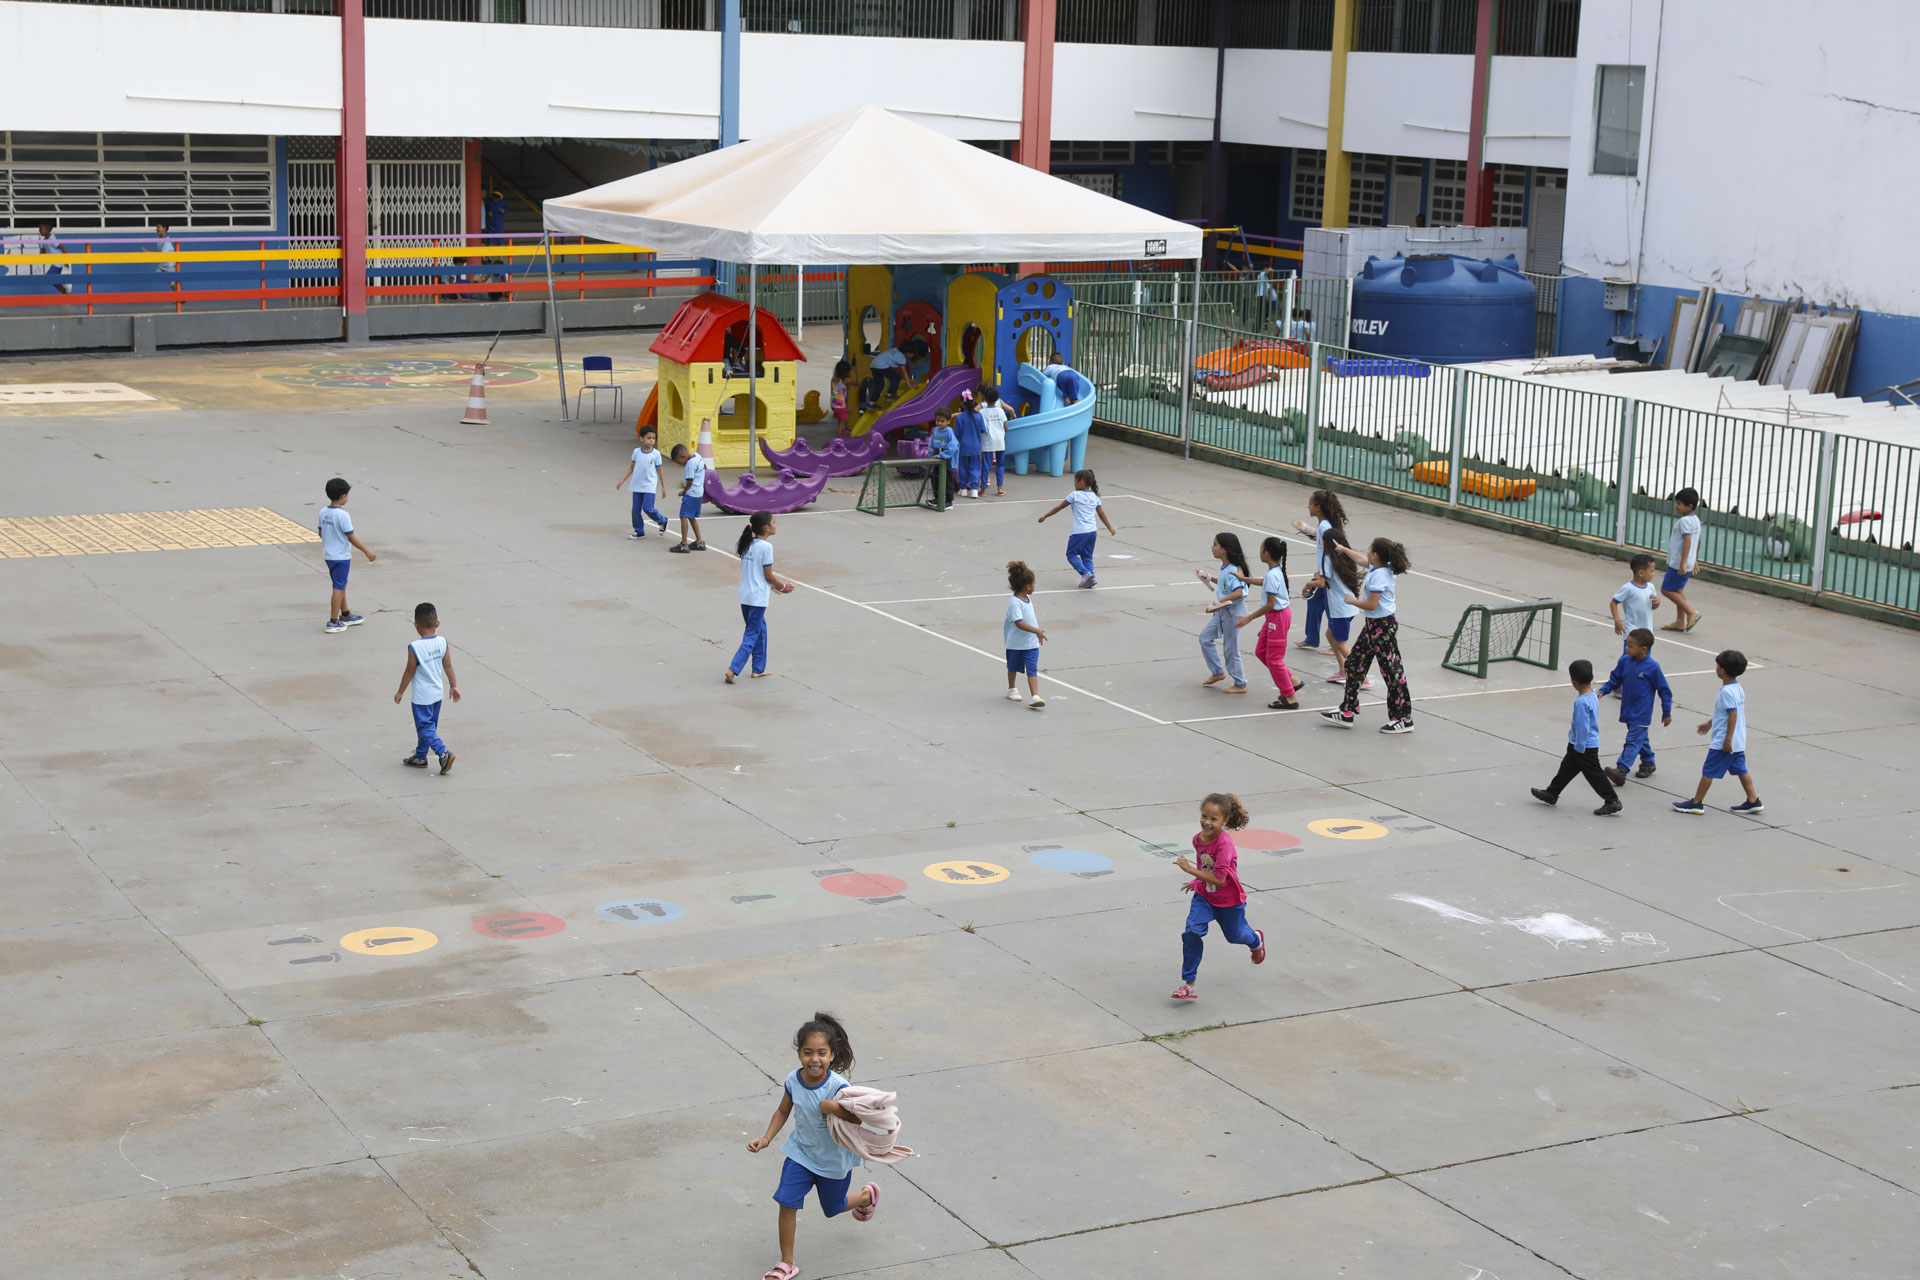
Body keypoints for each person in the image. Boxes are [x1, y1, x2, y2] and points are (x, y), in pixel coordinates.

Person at [747, 1014, 879, 1280]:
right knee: (787, 1202)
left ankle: (866, 1196)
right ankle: (786, 1263)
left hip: (833, 1160)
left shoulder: (839, 1087)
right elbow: (783, 1110)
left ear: (832, 1056)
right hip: (801, 1154)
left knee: (833, 1208)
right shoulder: (793, 1080)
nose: (814, 1059)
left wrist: (833, 1107)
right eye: (808, 1052)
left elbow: (857, 1118)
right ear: (799, 1054)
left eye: (821, 1053)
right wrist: (767, 1138)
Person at [1169, 792, 1265, 1001]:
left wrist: (1190, 870)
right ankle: (1189, 984)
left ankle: (1255, 939)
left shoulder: (1224, 844)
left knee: (1235, 936)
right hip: (1204, 896)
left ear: (1225, 821)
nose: (1207, 822)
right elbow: (1206, 866)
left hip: (1228, 900)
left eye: (1214, 819)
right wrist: (1195, 882)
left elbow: (1220, 879)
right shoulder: (1198, 839)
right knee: (1192, 931)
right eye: (1204, 816)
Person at [1321, 537, 1412, 733]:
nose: (1367, 551)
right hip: (1373, 626)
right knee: (1354, 663)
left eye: (1369, 549)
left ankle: (1403, 718)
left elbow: (1371, 604)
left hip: (1382, 627)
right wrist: (1344, 550)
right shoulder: (1380, 567)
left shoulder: (1379, 576)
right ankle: (1347, 711)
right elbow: (1361, 559)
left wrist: (1352, 601)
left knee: (1392, 672)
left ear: (1376, 555)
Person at [1674, 649, 1763, 815]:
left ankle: (1696, 803)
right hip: (1738, 740)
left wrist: (1727, 740)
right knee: (1741, 769)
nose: (1716, 668)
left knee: (1709, 771)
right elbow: (1724, 714)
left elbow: (1732, 715)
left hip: (1724, 742)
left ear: (1722, 670)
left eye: (1717, 666)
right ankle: (1753, 800)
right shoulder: (1737, 688)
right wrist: (1710, 723)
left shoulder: (1726, 692)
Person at [1530, 659, 1622, 815]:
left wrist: (1579, 748)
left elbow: (1582, 728)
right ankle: (1552, 793)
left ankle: (1612, 801)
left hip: (1583, 746)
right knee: (1566, 769)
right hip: (1582, 744)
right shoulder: (1593, 696)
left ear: (1573, 680)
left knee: (1595, 775)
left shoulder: (1581, 703)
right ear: (1592, 677)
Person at [1597, 628, 1673, 785]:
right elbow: (1615, 679)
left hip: (1641, 713)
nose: (1627, 648)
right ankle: (1648, 762)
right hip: (1628, 710)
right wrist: (1603, 690)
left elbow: (1664, 690)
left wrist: (1667, 712)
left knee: (1633, 740)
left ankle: (1621, 770)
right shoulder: (1625, 661)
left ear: (1644, 649)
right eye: (1627, 644)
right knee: (1640, 738)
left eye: (1631, 646)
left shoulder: (1652, 667)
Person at [726, 511, 794, 684]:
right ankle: (733, 669)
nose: (775, 524)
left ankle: (758, 668)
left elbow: (756, 574)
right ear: (766, 527)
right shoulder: (766, 547)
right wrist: (782, 586)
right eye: (773, 522)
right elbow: (768, 575)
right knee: (752, 633)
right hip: (757, 599)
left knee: (760, 629)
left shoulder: (748, 544)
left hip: (745, 596)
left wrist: (772, 585)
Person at [394, 602, 459, 774]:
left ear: (416, 625)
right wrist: (454, 686)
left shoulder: (415, 647)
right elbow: (448, 666)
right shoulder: (442, 642)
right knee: (429, 727)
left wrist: (400, 691)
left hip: (422, 697)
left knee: (424, 728)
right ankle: (420, 756)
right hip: (437, 694)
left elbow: (409, 671)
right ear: (437, 623)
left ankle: (443, 753)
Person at [1238, 535, 1299, 710]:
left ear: (1266, 553)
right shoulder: (1274, 572)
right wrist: (1244, 579)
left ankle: (1290, 696)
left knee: (1274, 659)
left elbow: (1271, 604)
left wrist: (1249, 618)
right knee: (1261, 651)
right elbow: (1263, 582)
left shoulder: (1273, 575)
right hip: (1274, 617)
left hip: (1277, 617)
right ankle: (1292, 681)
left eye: (1261, 549)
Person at [1037, 469, 1116, 588]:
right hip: (1092, 532)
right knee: (1087, 557)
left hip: (1079, 532)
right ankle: (1091, 577)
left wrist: (1045, 516)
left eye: (1075, 481)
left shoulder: (1074, 495)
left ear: (1081, 482)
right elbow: (1101, 514)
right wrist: (1110, 527)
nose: (1074, 484)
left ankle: (1085, 573)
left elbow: (1059, 507)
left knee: (1071, 555)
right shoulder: (1095, 497)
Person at [1195, 533, 1251, 694]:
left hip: (1233, 613)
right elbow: (1225, 584)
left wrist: (1218, 601)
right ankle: (1218, 672)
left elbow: (1239, 592)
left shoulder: (1232, 569)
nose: (1212, 547)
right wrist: (1208, 577)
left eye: (1215, 544)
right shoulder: (1225, 567)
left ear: (1224, 549)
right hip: (1223, 611)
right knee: (1205, 638)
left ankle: (1240, 683)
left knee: (1230, 648)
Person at [318, 477, 375, 634]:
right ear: (343, 496)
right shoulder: (343, 515)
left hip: (329, 555)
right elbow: (351, 537)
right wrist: (367, 551)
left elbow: (321, 533)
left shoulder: (323, 512)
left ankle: (346, 614)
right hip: (341, 557)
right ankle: (333, 621)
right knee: (338, 587)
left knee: (341, 583)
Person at [1293, 490, 1345, 654]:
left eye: (1310, 504)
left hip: (1329, 576)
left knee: (1331, 610)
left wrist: (1322, 574)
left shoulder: (1324, 526)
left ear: (1318, 507)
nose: (1308, 507)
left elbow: (1331, 550)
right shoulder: (1324, 525)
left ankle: (1336, 644)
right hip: (1324, 572)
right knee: (1314, 603)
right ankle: (1312, 638)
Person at [1317, 526, 1369, 692]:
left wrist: (1309, 584)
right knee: (1330, 634)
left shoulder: (1327, 559)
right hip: (1348, 607)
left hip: (1339, 609)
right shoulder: (1345, 557)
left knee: (1340, 642)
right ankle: (1342, 670)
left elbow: (1322, 583)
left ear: (1326, 543)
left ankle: (1363, 677)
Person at [613, 425, 670, 539]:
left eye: (653, 438)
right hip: (637, 485)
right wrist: (623, 479)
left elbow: (660, 470)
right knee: (635, 510)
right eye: (649, 438)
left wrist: (664, 487)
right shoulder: (636, 452)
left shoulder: (656, 454)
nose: (651, 440)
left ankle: (662, 520)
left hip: (649, 486)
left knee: (648, 508)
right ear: (641, 438)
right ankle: (639, 531)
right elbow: (632, 467)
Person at [1003, 560, 1046, 709]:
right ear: (1028, 586)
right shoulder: (1015, 603)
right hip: (1016, 643)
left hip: (1031, 643)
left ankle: (1035, 696)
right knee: (1013, 667)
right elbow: (1019, 623)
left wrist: (1036, 634)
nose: (1034, 586)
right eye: (1034, 584)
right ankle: (1011, 688)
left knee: (1032, 668)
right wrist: (1037, 631)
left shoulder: (1027, 598)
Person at [1661, 487, 1703, 633]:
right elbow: (1698, 541)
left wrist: (1683, 563)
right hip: (1687, 561)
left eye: (1679, 504)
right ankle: (1680, 621)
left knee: (1666, 589)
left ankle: (1691, 612)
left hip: (1679, 563)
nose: (1676, 506)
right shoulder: (1695, 520)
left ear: (1689, 506)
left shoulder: (1684, 521)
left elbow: (1688, 541)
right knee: (1678, 590)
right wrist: (1694, 558)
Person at [860, 337, 927, 409]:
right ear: (908, 353)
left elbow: (891, 363)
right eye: (912, 354)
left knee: (880, 385)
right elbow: (905, 373)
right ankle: (890, 395)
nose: (912, 355)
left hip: (874, 365)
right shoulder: (901, 358)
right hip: (881, 365)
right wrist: (910, 385)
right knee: (896, 377)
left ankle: (871, 403)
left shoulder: (895, 350)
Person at [1610, 552, 1663, 641]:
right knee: (1630, 650)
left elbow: (1652, 607)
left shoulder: (1651, 587)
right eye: (1651, 571)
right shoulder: (1628, 588)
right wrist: (1617, 620)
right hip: (1631, 631)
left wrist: (1657, 603)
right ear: (1641, 573)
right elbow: (1613, 602)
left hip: (1647, 632)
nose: (1653, 574)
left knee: (1645, 650)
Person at [668, 436, 707, 552]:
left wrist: (683, 492)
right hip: (699, 492)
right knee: (691, 517)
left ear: (683, 456)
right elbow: (705, 467)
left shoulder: (690, 464)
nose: (680, 464)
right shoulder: (698, 456)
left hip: (691, 493)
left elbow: (690, 481)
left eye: (679, 462)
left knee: (683, 516)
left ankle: (684, 544)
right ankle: (699, 541)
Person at [977, 385, 1011, 496]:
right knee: (1000, 464)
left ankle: (983, 490)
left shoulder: (982, 412)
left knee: (986, 466)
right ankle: (1000, 488)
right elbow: (1006, 426)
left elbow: (980, 427)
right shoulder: (1001, 411)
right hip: (1000, 441)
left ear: (985, 399)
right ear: (997, 399)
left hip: (987, 442)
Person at [952, 391, 985, 499]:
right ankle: (974, 489)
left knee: (963, 468)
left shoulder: (960, 417)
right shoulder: (979, 416)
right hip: (976, 447)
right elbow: (983, 429)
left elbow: (956, 434)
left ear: (962, 403)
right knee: (975, 468)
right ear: (974, 401)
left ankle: (963, 489)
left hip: (963, 447)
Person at [924, 410, 959, 510]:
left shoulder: (949, 432)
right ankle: (937, 498)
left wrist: (942, 455)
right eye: (937, 420)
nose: (939, 423)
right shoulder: (935, 431)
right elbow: (931, 443)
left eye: (942, 421)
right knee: (935, 478)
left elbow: (953, 446)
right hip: (936, 460)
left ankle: (948, 501)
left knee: (947, 480)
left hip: (946, 461)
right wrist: (931, 454)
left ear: (948, 421)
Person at [36, 221, 70, 295]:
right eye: (39, 229)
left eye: (41, 229)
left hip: (59, 263)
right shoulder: (44, 241)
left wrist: (66, 261)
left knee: (49, 277)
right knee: (54, 281)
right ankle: (65, 293)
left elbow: (63, 248)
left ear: (48, 230)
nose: (39, 231)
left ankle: (65, 288)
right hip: (54, 263)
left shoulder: (52, 239)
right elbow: (43, 250)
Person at [153, 222, 180, 293]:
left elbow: (162, 254)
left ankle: (180, 296)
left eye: (158, 227)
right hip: (161, 265)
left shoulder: (167, 241)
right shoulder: (158, 239)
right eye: (156, 227)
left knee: (172, 283)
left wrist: (148, 252)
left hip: (169, 265)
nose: (157, 229)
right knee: (154, 277)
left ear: (164, 228)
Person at [829, 359, 853, 435]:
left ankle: (842, 428)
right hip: (841, 405)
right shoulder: (845, 380)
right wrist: (856, 372)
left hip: (834, 403)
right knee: (841, 423)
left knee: (849, 410)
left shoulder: (833, 378)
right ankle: (838, 439)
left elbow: (831, 391)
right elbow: (858, 382)